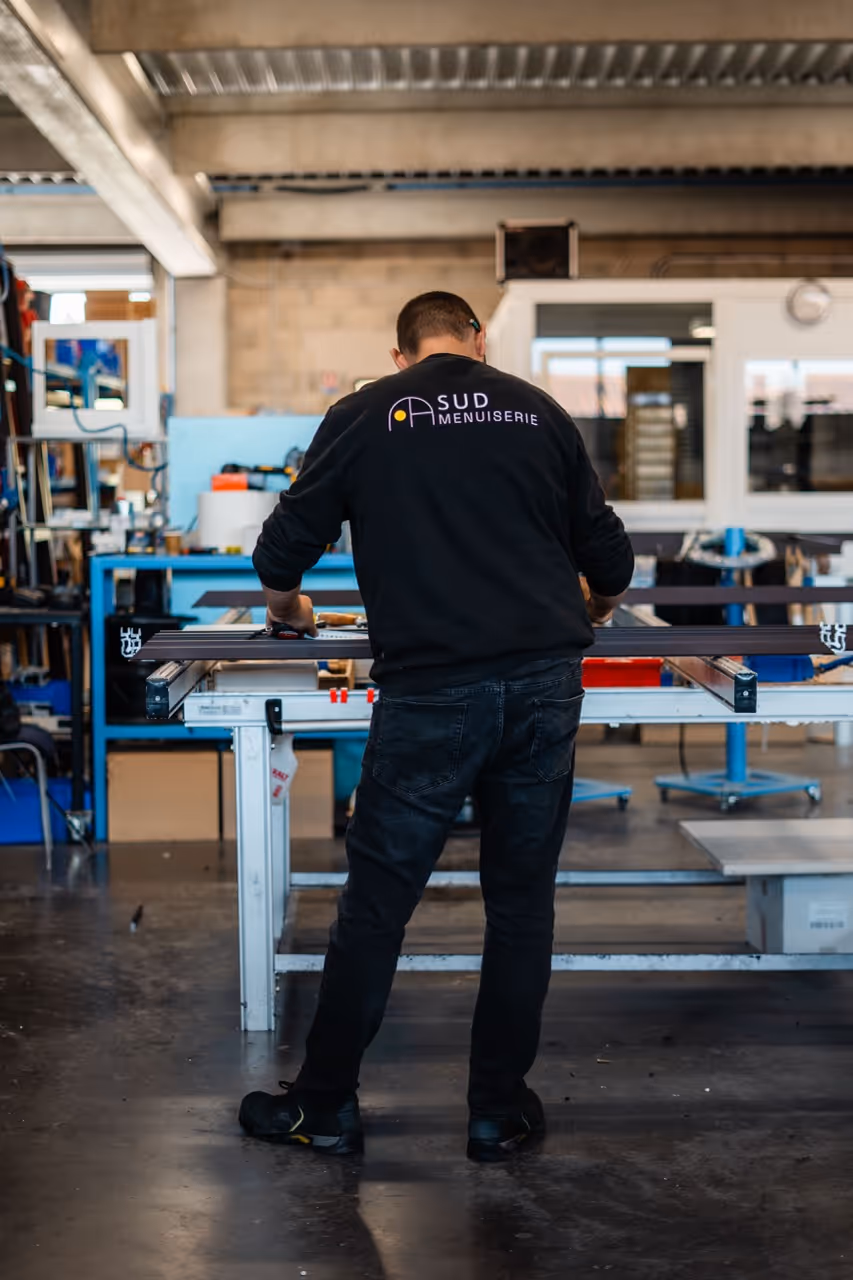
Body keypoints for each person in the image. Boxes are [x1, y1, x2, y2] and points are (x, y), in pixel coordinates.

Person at [240, 291, 634, 1161]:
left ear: (399, 353)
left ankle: (325, 1106)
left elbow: (278, 555)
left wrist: (291, 610)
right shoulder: (537, 411)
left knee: (378, 906)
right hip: (541, 685)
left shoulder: (366, 413)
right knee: (521, 903)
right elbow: (609, 560)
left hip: (432, 694)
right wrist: (597, 607)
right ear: (476, 339)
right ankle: (496, 1110)